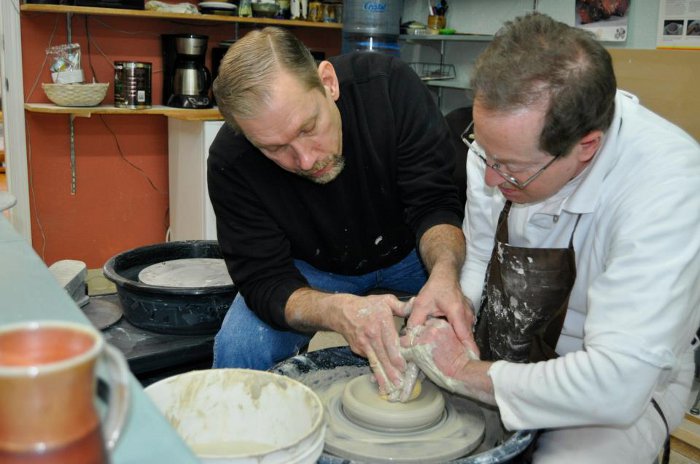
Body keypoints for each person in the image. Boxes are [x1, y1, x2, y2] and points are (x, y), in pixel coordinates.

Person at [400, 12, 700, 463]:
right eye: (485, 155)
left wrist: (464, 371)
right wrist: (450, 316)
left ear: (587, 147)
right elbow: (480, 257)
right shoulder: (500, 153)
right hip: (512, 344)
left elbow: (616, 381)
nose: (489, 179)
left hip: (618, 388)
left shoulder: (667, 187)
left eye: (511, 170)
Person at [207, 26, 476, 397]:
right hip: (315, 270)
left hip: (415, 250)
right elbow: (264, 280)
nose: (305, 159)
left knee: (479, 318)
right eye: (274, 149)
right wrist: (337, 311)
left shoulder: (388, 87)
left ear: (328, 83)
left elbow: (436, 203)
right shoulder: (232, 160)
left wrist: (444, 273)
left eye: (308, 128)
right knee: (240, 345)